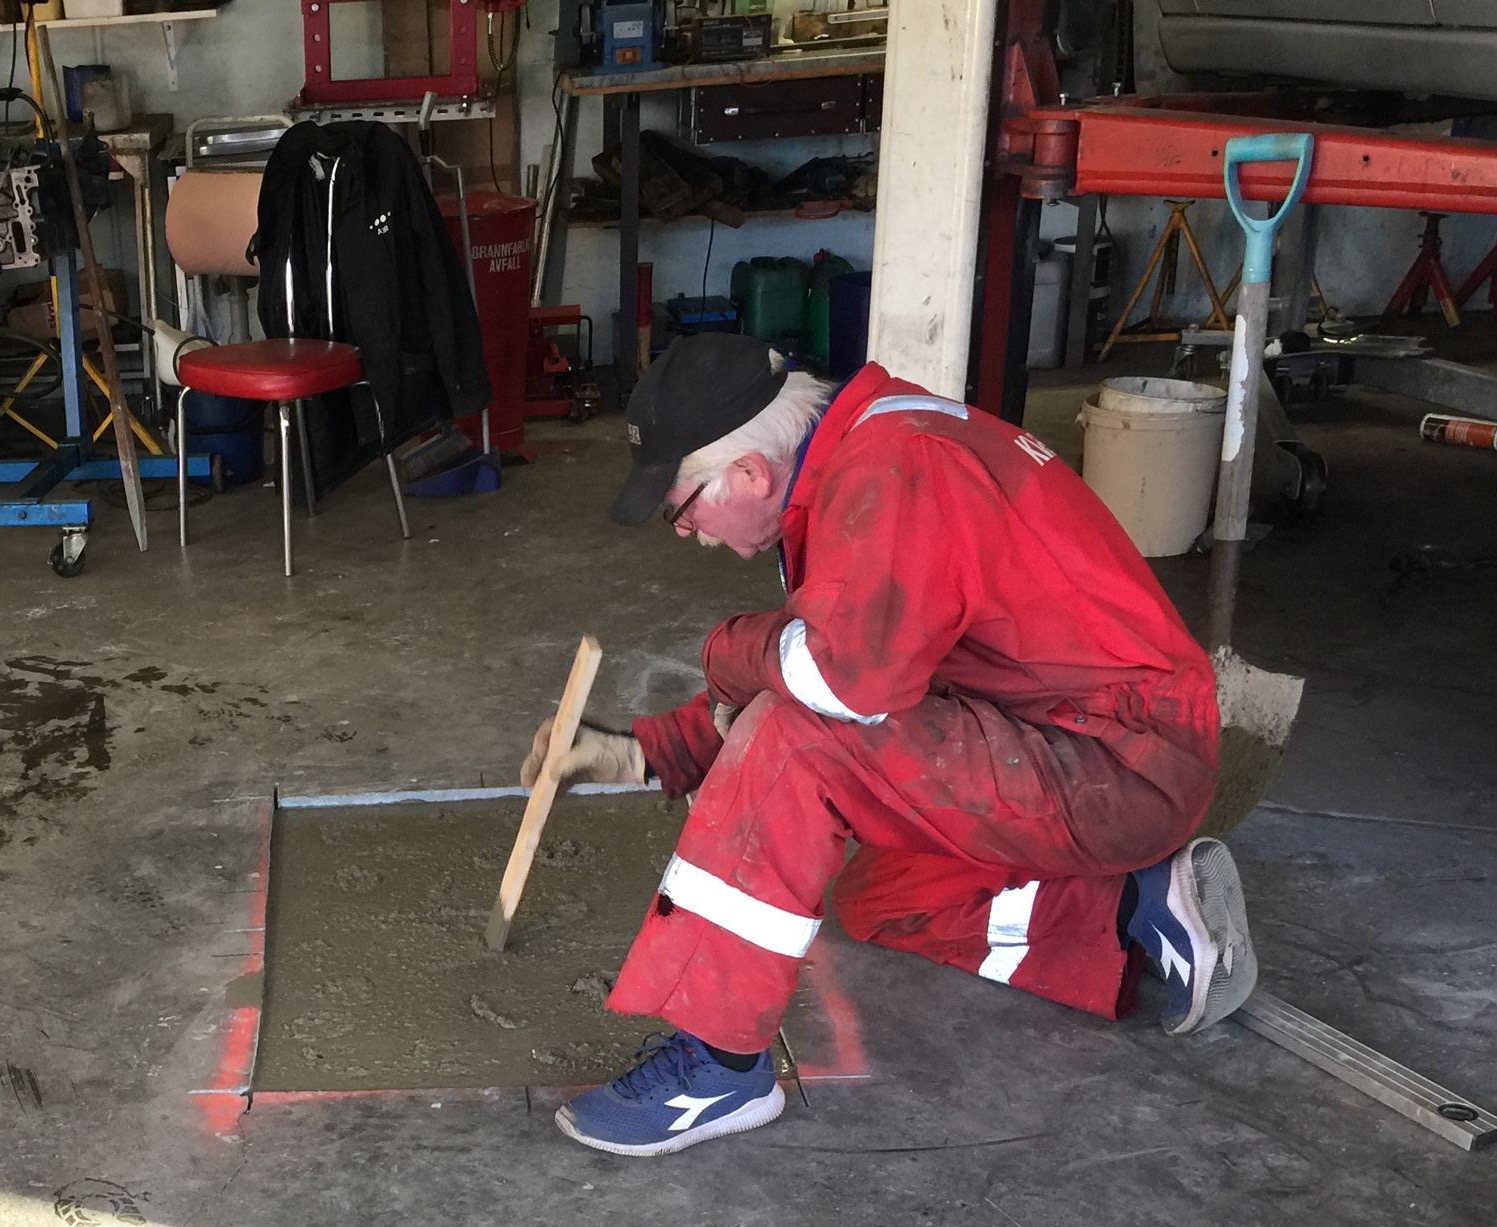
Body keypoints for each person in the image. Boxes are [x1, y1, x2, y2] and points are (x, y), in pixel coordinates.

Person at [526, 335, 1254, 1158]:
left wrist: (728, 651)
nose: (688, 530)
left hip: (1118, 762)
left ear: (752, 473)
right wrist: (645, 752)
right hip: (1062, 743)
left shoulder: (894, 471)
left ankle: (719, 1067)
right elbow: (832, 660)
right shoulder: (863, 450)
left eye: (681, 508)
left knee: (798, 742)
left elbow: (836, 685)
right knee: (885, 901)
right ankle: (1131, 904)